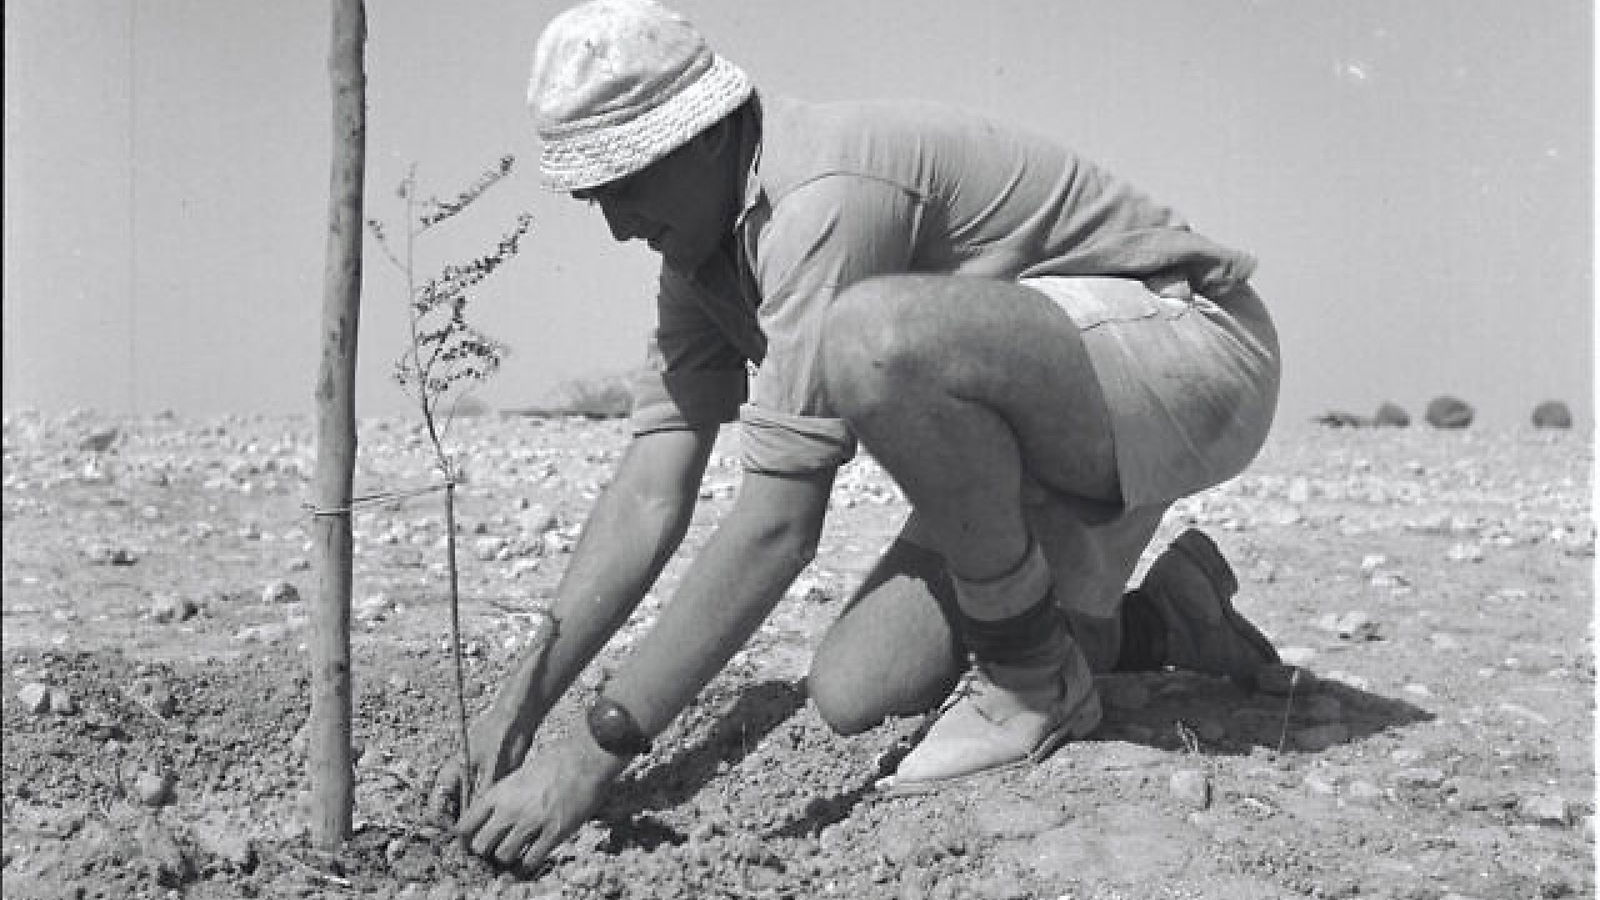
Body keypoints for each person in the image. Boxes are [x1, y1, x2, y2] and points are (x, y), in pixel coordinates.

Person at [438, 0, 1282, 871]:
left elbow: (777, 527)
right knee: (858, 687)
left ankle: (1034, 684)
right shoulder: (702, 255)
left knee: (871, 336)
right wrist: (523, 699)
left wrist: (588, 756)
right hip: (1054, 421)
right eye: (593, 196)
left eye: (624, 184)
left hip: (1190, 355)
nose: (615, 224)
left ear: (699, 136)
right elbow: (652, 489)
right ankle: (1169, 621)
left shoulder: (821, 200)